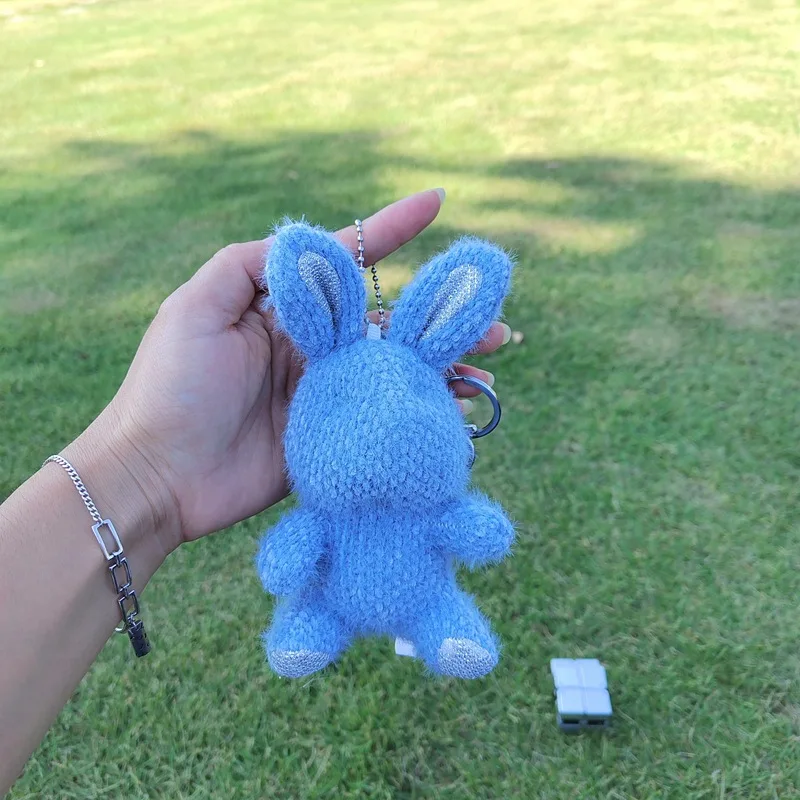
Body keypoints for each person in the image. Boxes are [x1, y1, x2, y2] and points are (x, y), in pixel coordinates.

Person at [0, 190, 512, 793]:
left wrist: (475, 526)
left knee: (443, 616)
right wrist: (148, 470)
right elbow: (287, 561)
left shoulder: (426, 504)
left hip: (428, 594)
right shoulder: (327, 504)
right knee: (311, 613)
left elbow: (480, 533)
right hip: (332, 597)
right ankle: (318, 624)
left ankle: (442, 626)